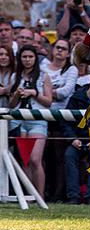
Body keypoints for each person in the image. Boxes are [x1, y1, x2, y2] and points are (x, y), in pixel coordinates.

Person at [8, 46, 52, 198]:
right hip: (19, 121)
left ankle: (40, 196)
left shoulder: (44, 76)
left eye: (30, 57)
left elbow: (48, 102)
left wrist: (34, 93)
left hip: (38, 121)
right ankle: (30, 197)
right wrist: (17, 94)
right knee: (24, 160)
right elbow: (11, 105)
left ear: (35, 59)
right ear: (20, 59)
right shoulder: (15, 76)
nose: (27, 60)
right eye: (24, 57)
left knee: (35, 159)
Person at [43, 39, 78, 201]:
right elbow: (37, 88)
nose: (60, 51)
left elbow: (66, 92)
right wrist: (47, 93)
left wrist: (46, 93)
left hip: (62, 117)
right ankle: (44, 192)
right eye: (57, 47)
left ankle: (59, 194)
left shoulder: (71, 69)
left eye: (63, 49)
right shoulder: (43, 66)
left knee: (59, 158)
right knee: (43, 157)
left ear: (68, 53)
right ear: (52, 49)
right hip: (42, 114)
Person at [62, 72, 90, 204]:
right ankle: (73, 196)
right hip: (77, 140)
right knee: (69, 156)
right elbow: (65, 121)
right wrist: (72, 139)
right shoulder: (77, 97)